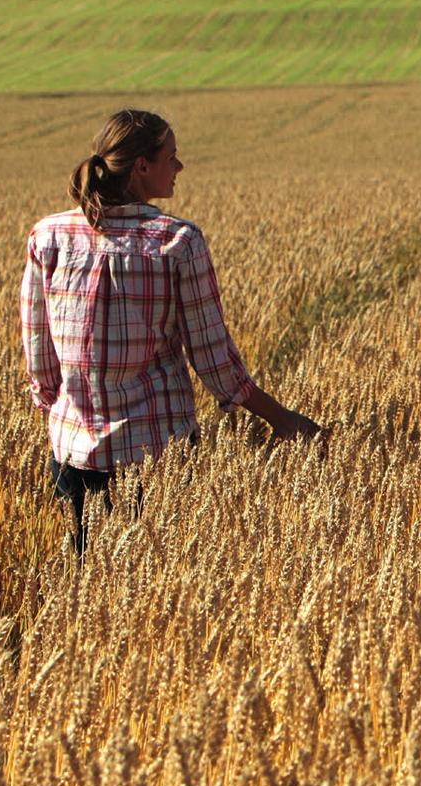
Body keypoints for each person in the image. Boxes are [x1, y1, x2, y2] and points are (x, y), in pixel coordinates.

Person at [22, 108, 322, 553]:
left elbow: (40, 357)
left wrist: (69, 416)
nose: (179, 167)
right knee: (152, 589)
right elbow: (214, 361)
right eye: (171, 157)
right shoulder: (175, 241)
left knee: (83, 591)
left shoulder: (48, 236)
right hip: (158, 459)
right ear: (142, 166)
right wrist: (284, 420)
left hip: (71, 457)